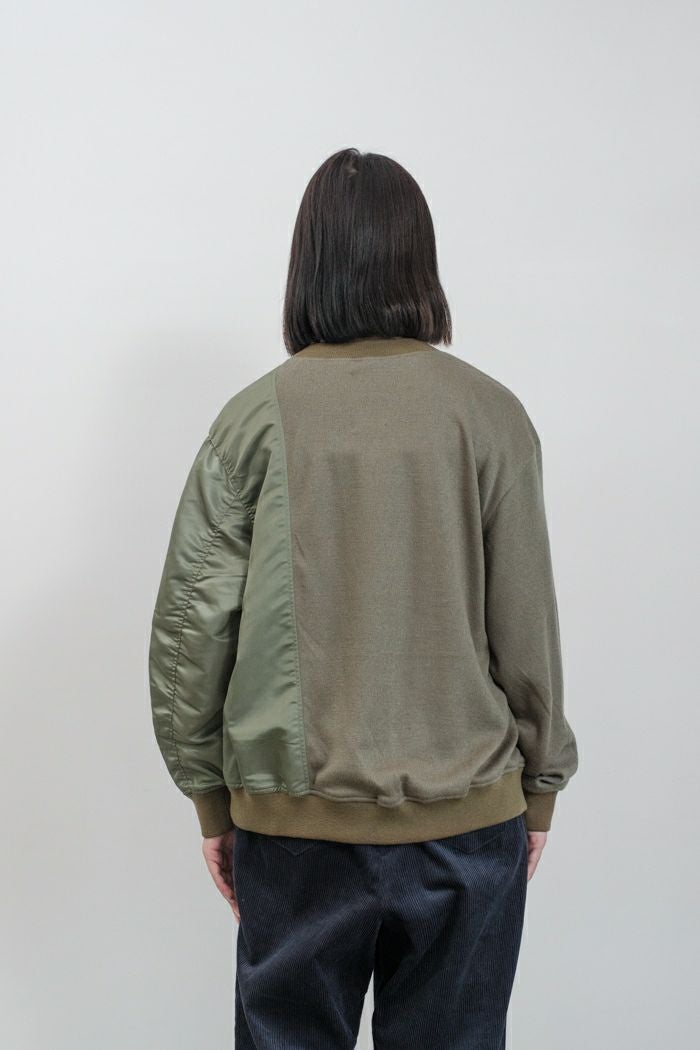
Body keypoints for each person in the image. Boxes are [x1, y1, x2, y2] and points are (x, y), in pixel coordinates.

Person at [148, 146, 579, 1049]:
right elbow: (527, 626)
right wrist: (537, 788)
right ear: (420, 260)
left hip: (294, 828)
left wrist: (211, 799)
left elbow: (190, 632)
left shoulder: (253, 420)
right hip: (469, 823)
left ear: (307, 263)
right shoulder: (490, 415)